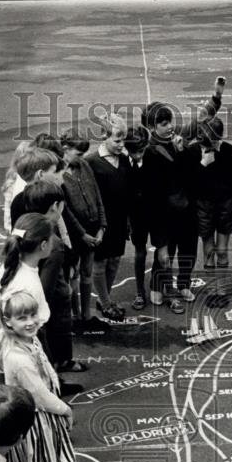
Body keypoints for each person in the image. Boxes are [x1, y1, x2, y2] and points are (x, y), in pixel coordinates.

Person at [0, 290, 75, 462]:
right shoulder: (17, 358)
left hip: (27, 420)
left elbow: (46, 368)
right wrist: (65, 409)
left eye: (32, 315)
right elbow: (40, 395)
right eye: (22, 317)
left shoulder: (28, 341)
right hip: (34, 422)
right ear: (8, 321)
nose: (30, 321)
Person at [9, 181, 86, 392]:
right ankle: (54, 386)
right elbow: (45, 289)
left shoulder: (25, 226)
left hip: (31, 308)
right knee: (45, 352)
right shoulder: (53, 244)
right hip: (44, 310)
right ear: (56, 206)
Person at [141, 101, 199, 313]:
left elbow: (190, 174)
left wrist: (182, 151)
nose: (169, 127)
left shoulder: (179, 144)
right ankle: (157, 286)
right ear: (152, 127)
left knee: (189, 251)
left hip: (187, 209)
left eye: (170, 122)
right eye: (163, 124)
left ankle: (184, 284)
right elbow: (151, 196)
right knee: (165, 253)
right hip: (164, 213)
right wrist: (159, 239)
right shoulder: (151, 152)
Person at [0, 213, 52, 364]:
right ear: (44, 245)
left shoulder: (11, 265)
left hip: (7, 346)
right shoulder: (28, 283)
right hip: (21, 347)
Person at [85, 113, 134, 321]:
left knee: (114, 260)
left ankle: (105, 297)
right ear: (104, 136)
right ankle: (105, 303)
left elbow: (129, 190)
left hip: (120, 220)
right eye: (117, 140)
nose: (121, 144)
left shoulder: (124, 160)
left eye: (123, 139)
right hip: (101, 223)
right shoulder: (92, 162)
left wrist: (129, 221)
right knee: (100, 263)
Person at [59, 131, 108, 330]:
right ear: (65, 150)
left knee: (87, 272)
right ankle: (75, 316)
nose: (81, 158)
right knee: (73, 274)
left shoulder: (85, 166)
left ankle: (87, 315)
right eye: (78, 154)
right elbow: (66, 211)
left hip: (93, 228)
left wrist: (102, 226)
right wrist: (82, 234)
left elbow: (98, 197)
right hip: (74, 234)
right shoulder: (58, 174)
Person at [190, 116, 232, 270]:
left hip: (225, 204)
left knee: (222, 250)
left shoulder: (230, 151)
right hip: (203, 205)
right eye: (205, 143)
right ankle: (213, 290)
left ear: (219, 137)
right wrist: (203, 164)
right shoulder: (193, 152)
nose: (209, 146)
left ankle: (221, 289)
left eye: (213, 141)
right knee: (209, 251)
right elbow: (190, 183)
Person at [124, 125, 152, 310]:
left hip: (156, 212)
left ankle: (162, 287)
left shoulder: (155, 158)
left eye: (141, 151)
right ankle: (140, 291)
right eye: (133, 152)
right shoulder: (123, 163)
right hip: (136, 215)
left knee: (163, 254)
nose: (137, 156)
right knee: (140, 252)